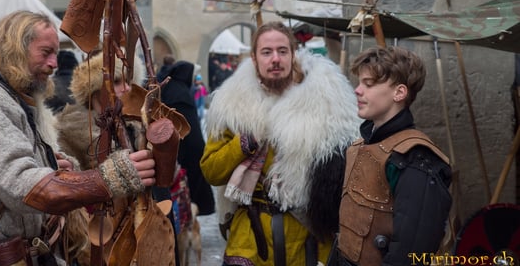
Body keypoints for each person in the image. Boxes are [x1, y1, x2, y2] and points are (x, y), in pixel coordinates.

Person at [0, 11, 156, 265]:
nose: (54, 64)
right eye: (45, 52)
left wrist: (51, 165)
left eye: (55, 54)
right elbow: (21, 185)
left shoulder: (7, 98)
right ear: (15, 49)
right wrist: (110, 178)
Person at [200, 21, 361, 266]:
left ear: (293, 54)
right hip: (251, 238)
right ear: (254, 59)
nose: (275, 59)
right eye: (267, 52)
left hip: (309, 238)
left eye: (282, 51)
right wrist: (245, 141)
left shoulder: (326, 102)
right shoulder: (233, 106)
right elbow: (211, 171)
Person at [338, 46, 452, 266]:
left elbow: (412, 253)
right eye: (359, 83)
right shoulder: (360, 146)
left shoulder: (415, 158)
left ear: (399, 93)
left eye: (369, 84)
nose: (357, 90)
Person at [158, 60, 216, 217]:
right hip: (187, 147)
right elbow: (191, 128)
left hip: (174, 147)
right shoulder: (181, 93)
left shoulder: (170, 89)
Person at [44, 49, 79, 113]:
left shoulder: (50, 85)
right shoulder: (84, 83)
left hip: (56, 118)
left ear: (58, 64)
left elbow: (45, 109)